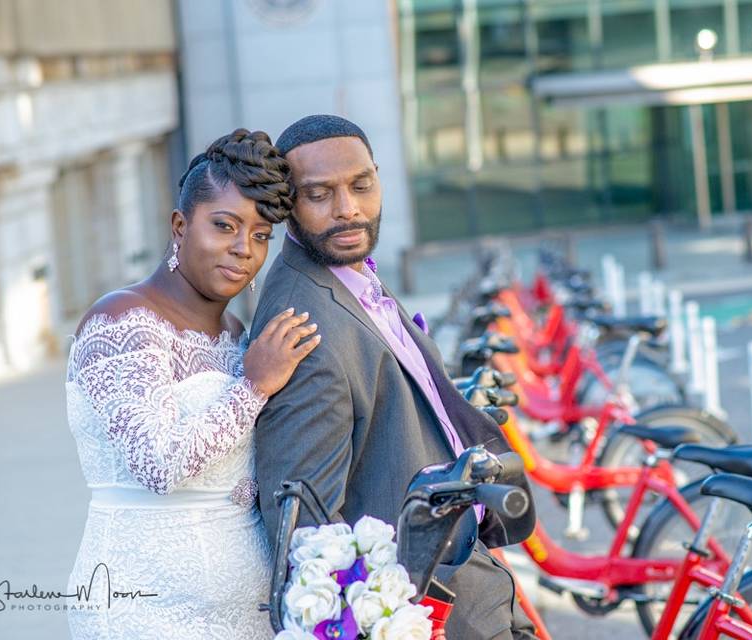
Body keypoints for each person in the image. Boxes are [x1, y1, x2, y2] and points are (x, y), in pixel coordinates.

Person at [252, 114, 537, 639]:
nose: (348, 208)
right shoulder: (303, 327)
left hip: (467, 573)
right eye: (319, 195)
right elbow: (307, 534)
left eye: (361, 185)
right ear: (288, 204)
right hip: (428, 606)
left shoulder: (348, 275)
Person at [65, 129, 319, 639]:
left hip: (245, 618)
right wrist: (253, 388)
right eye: (224, 226)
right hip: (141, 608)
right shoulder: (123, 322)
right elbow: (158, 464)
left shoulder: (237, 337)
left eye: (261, 234)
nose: (244, 249)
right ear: (181, 225)